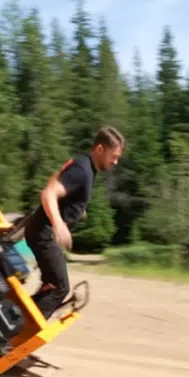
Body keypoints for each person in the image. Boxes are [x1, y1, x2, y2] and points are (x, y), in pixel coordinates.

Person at [23, 126, 125, 319]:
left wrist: (77, 210)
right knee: (59, 288)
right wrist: (58, 223)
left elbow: (55, 182)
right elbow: (48, 193)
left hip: (43, 231)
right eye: (114, 156)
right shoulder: (82, 170)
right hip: (44, 233)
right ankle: (16, 335)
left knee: (50, 286)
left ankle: (16, 321)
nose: (116, 162)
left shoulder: (85, 167)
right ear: (100, 149)